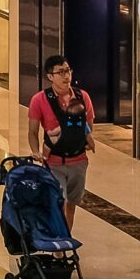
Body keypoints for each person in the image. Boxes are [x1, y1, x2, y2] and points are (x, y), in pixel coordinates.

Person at [27, 54, 95, 211]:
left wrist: (85, 141)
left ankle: (66, 235)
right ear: (50, 76)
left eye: (68, 71)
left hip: (78, 161)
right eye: (61, 72)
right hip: (54, 162)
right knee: (59, 202)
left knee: (72, 203)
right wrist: (36, 151)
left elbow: (89, 126)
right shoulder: (39, 100)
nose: (66, 76)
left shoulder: (82, 97)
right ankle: (59, 234)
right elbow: (32, 131)